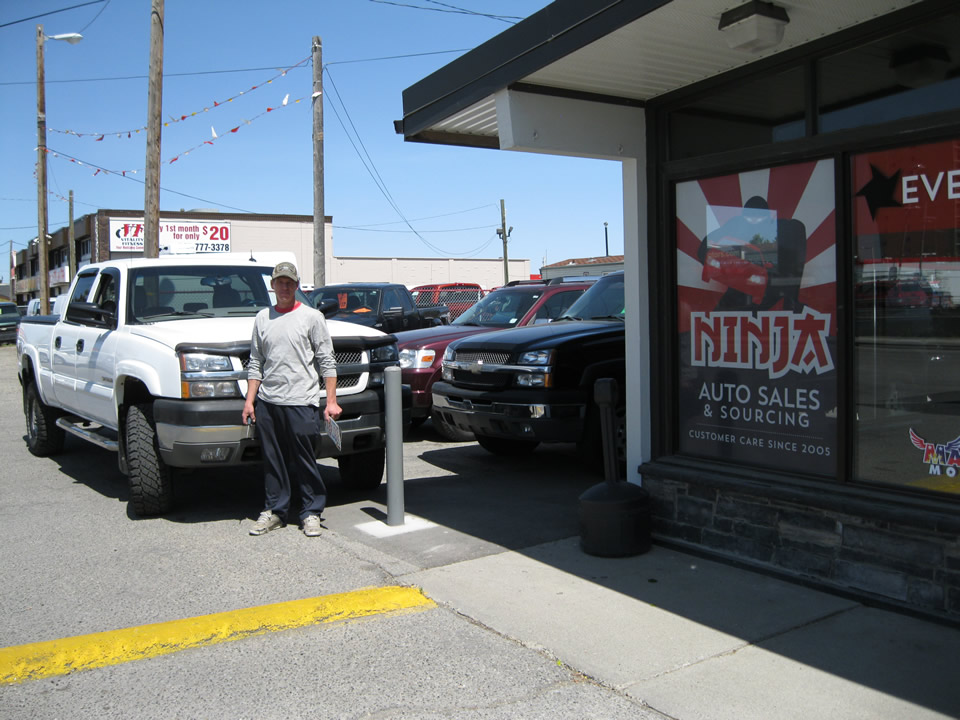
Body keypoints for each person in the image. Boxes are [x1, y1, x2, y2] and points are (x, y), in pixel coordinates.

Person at [242, 261, 342, 537]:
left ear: (297, 286)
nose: (284, 287)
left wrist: (330, 400)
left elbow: (327, 361)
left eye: (290, 283)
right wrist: (250, 400)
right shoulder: (263, 318)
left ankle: (311, 512)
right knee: (273, 461)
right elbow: (256, 362)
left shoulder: (312, 317)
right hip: (268, 402)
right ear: (272, 286)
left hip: (301, 401)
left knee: (305, 460)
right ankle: (275, 511)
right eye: (280, 282)